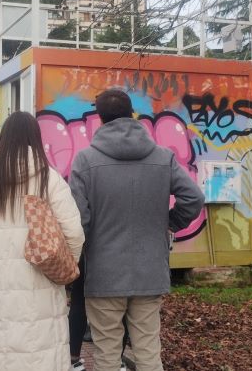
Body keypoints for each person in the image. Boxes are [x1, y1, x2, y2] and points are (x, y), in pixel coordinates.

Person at [69, 89, 205, 371]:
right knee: (148, 352)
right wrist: (169, 222)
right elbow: (194, 198)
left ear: (100, 118)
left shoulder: (85, 160)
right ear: (131, 114)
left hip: (104, 274)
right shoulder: (164, 157)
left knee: (106, 354)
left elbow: (79, 220)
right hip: (150, 271)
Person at [0, 112, 85, 371]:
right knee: (39, 356)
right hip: (40, 286)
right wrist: (62, 266)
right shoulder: (49, 178)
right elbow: (74, 233)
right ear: (35, 138)